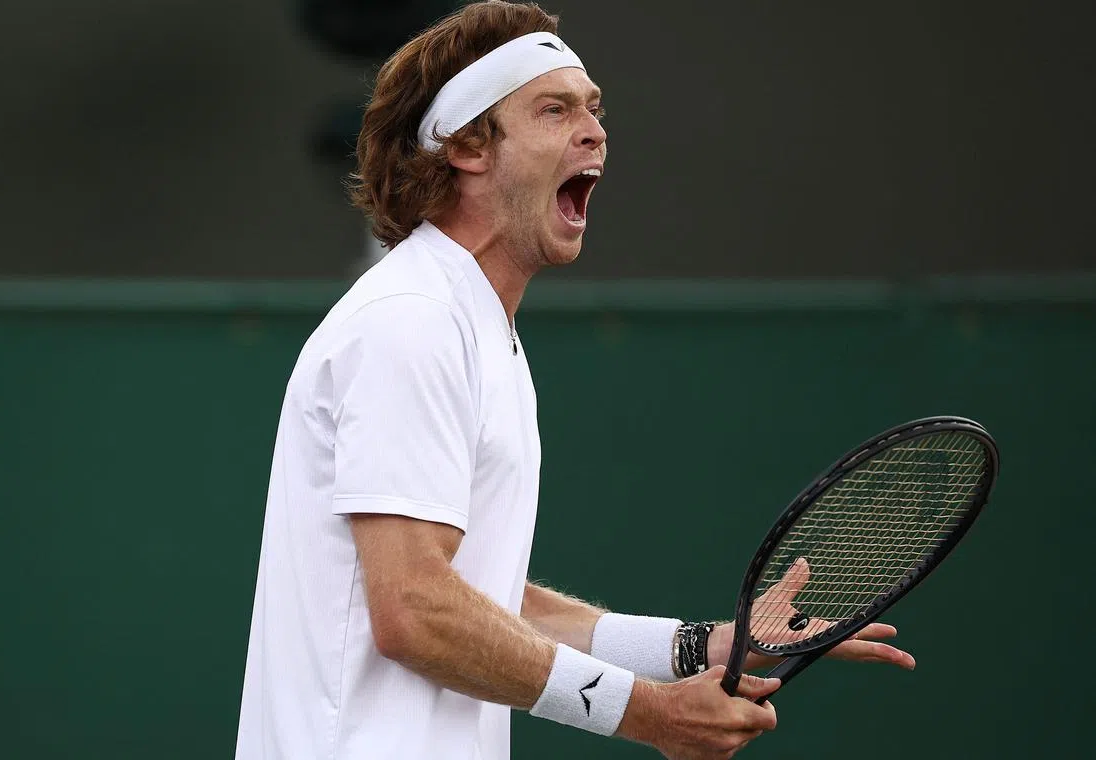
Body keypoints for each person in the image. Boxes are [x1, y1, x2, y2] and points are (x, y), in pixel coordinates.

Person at [234, 3, 915, 759]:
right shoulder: (411, 321)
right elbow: (416, 610)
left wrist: (699, 649)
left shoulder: (476, 327)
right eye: (554, 110)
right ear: (466, 147)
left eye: (594, 109)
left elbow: (485, 602)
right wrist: (649, 713)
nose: (595, 130)